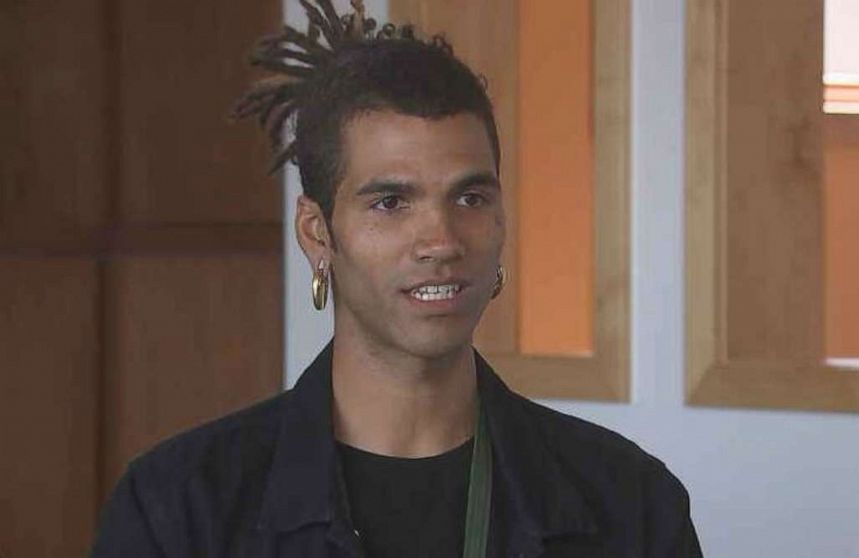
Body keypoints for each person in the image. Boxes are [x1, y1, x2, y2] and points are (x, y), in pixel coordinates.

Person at [90, 1, 703, 556]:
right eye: (391, 202)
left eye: (470, 198)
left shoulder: (630, 504)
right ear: (317, 233)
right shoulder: (179, 510)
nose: (441, 241)